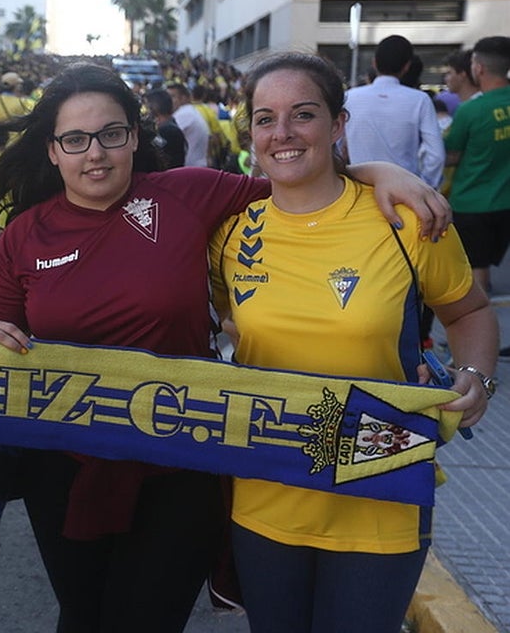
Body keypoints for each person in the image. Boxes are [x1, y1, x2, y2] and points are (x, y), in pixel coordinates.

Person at [0, 62, 451, 633]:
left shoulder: (186, 195)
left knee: (146, 620)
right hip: (68, 467)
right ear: (53, 151)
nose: (95, 153)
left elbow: (295, 178)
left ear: (134, 138)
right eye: (75, 140)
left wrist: (384, 174)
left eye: (112, 134)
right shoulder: (24, 236)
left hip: (181, 461)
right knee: (81, 616)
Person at [209, 51, 495, 633]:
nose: (282, 133)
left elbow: (469, 311)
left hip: (380, 481)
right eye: (265, 118)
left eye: (303, 114)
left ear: (339, 124)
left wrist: (477, 377)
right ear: (251, 134)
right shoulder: (231, 234)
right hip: (268, 486)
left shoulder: (404, 218)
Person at [445, 36, 510, 294]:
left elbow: (450, 155)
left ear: (478, 67)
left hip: (472, 203)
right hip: (505, 202)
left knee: (475, 272)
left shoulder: (471, 111)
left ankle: (478, 331)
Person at [343, 34, 445, 187]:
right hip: (405, 190)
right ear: (407, 66)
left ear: (374, 63)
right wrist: (425, 185)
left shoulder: (350, 97)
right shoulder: (420, 100)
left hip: (359, 189)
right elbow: (436, 155)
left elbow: (335, 148)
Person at [167, 82, 210, 167]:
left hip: (191, 168)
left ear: (183, 98)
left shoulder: (185, 113)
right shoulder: (190, 111)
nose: (167, 101)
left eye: (172, 96)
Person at [143, 88, 188, 168]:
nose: (145, 110)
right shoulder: (170, 124)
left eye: (147, 105)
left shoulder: (167, 130)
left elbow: (152, 149)